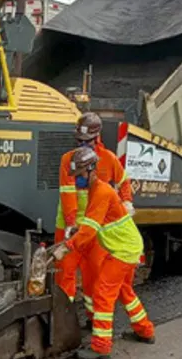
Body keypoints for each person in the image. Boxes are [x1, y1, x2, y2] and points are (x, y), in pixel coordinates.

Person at [54, 146, 154, 359]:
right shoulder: (95, 190)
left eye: (79, 175)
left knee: (102, 292)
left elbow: (89, 231)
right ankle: (145, 330)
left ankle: (101, 346)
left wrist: (67, 247)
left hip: (123, 249)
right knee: (123, 289)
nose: (77, 180)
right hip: (124, 246)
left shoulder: (100, 192)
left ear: (91, 170)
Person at [54, 112, 134, 324]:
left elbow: (124, 183)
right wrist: (71, 223)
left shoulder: (108, 159)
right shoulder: (68, 160)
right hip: (70, 227)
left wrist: (126, 202)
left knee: (94, 278)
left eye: (86, 141)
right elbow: (67, 191)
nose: (82, 145)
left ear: (96, 137)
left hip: (94, 231)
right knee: (65, 277)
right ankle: (64, 322)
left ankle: (93, 319)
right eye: (79, 141)